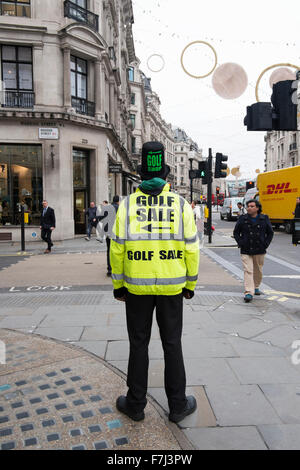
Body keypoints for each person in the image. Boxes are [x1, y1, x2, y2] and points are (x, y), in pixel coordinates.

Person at [110, 141, 200, 424]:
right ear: (166, 173)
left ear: (141, 174)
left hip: (137, 287)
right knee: (172, 344)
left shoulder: (127, 205)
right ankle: (177, 406)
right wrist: (190, 284)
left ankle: (135, 404)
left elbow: (117, 248)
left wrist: (119, 284)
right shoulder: (181, 204)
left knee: (139, 345)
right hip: (172, 287)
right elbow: (192, 248)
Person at [233, 199, 274, 303]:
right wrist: (240, 242)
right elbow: (236, 232)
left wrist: (265, 244)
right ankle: (248, 292)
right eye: (248, 206)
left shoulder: (264, 218)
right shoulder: (243, 218)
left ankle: (256, 286)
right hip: (246, 249)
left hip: (260, 248)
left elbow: (270, 233)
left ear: (257, 208)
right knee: (248, 270)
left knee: (258, 270)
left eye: (251, 206)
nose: (249, 208)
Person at [106, 196, 120, 277]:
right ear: (118, 201)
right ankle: (116, 269)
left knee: (109, 251)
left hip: (108, 232)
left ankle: (109, 269)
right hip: (117, 232)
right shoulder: (120, 208)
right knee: (117, 251)